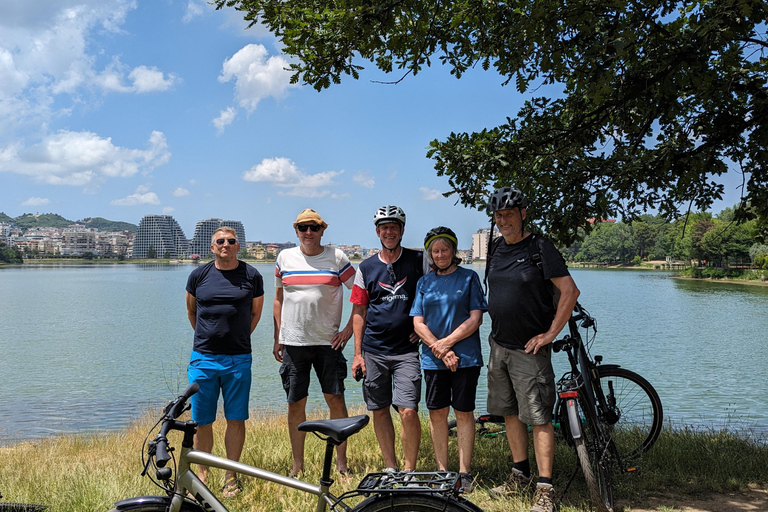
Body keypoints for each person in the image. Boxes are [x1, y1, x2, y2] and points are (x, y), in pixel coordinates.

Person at [484, 187, 580, 512]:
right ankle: (519, 474)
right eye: (498, 216)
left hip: (530, 350)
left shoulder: (541, 247)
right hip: (499, 347)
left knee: (538, 418)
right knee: (509, 412)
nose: (503, 221)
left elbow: (569, 291)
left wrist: (551, 333)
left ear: (523, 213)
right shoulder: (494, 248)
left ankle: (545, 489)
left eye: (509, 214)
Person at [273, 208, 356, 478]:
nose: (309, 232)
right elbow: (278, 299)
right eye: (303, 227)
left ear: (323, 230)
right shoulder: (284, 257)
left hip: (327, 342)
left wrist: (348, 331)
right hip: (294, 343)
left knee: (336, 400)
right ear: (295, 230)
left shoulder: (337, 257)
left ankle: (341, 464)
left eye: (314, 227)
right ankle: (298, 465)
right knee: (296, 403)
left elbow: (360, 294)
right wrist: (278, 337)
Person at [186, 226, 265, 498]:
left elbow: (255, 314)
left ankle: (231, 476)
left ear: (237, 246)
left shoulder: (252, 275)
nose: (226, 245)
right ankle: (202, 476)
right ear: (212, 247)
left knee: (235, 418)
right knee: (201, 420)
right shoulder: (199, 275)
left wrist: (237, 339)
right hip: (203, 359)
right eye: (220, 241)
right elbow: (191, 311)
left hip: (239, 359)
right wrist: (209, 340)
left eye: (231, 241)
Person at [350, 205, 429, 472]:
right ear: (377, 232)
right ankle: (390, 466)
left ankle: (409, 470)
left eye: (394, 227)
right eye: (384, 227)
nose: (389, 231)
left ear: (402, 230)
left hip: (406, 351)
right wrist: (358, 353)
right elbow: (359, 311)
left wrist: (423, 329)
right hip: (374, 350)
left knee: (408, 410)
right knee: (380, 409)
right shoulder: (366, 267)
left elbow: (434, 296)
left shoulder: (419, 261)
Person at [410, 227, 487, 493]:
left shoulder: (469, 278)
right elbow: (417, 322)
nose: (440, 254)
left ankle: (464, 471)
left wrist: (447, 344)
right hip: (434, 360)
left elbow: (475, 318)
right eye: (435, 251)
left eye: (445, 250)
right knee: (437, 413)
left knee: (464, 413)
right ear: (430, 254)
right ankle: (442, 470)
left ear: (454, 251)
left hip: (465, 358)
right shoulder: (424, 283)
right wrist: (440, 350)